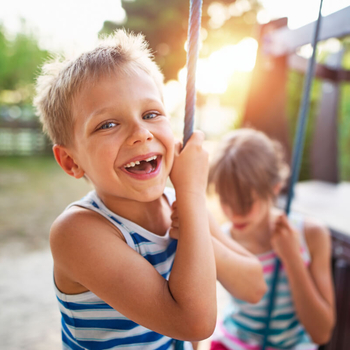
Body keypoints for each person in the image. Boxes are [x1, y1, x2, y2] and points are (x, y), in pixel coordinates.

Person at [33, 30, 265, 350]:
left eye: (151, 114)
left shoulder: (181, 206)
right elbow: (194, 323)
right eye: (108, 124)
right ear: (71, 161)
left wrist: (197, 230)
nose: (141, 133)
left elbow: (254, 287)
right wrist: (193, 198)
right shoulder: (77, 232)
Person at [205, 128, 335, 350]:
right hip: (233, 342)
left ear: (274, 188)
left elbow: (321, 333)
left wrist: (293, 258)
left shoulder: (310, 234)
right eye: (226, 201)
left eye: (246, 202)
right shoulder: (223, 241)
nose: (235, 213)